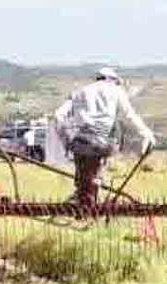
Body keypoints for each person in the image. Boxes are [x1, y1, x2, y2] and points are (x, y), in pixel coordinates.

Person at [54, 67, 156, 205]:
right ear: (113, 80)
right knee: (94, 172)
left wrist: (66, 141)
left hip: (81, 142)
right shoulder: (115, 90)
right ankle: (89, 198)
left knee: (83, 176)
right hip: (103, 143)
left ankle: (82, 198)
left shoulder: (80, 91)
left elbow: (58, 116)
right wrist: (146, 135)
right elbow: (129, 116)